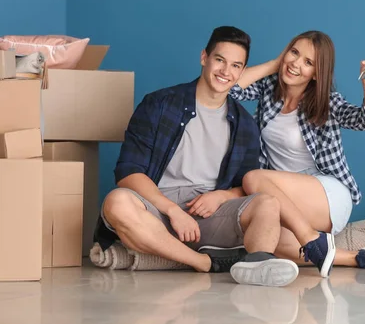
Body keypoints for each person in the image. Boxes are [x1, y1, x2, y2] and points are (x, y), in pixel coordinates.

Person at [92, 26, 343, 287]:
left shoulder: (245, 125)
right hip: (156, 208)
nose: (226, 72)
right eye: (220, 60)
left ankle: (258, 262)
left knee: (267, 203)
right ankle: (203, 262)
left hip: (208, 217)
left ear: (242, 71)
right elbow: (128, 172)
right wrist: (172, 211)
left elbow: (242, 186)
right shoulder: (159, 104)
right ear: (204, 57)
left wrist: (220, 196)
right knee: (116, 202)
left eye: (236, 66)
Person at [229, 30, 365, 270]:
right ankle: (356, 258)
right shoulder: (269, 90)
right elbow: (229, 85)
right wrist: (276, 64)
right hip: (287, 197)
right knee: (266, 237)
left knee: (253, 179)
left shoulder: (326, 102)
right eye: (294, 53)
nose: (296, 64)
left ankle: (310, 237)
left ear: (317, 73)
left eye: (308, 62)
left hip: (326, 194)